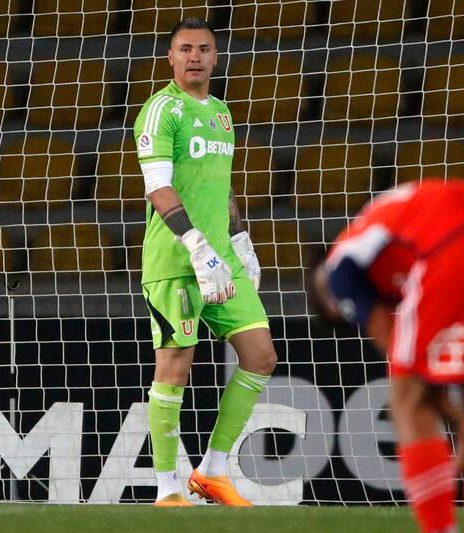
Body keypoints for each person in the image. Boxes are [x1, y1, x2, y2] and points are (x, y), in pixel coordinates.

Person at [308, 179, 464, 532]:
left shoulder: (342, 269)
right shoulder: (394, 244)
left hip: (458, 248)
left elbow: (417, 383)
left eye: (347, 314)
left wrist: (462, 435)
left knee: (407, 401)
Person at [132, 17, 277, 507]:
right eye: (185, 49)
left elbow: (221, 185)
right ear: (170, 58)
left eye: (204, 49)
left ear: (216, 58)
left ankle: (213, 471)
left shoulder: (221, 113)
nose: (195, 56)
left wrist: (239, 239)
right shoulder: (160, 111)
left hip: (221, 258)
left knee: (260, 356)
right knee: (175, 367)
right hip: (177, 258)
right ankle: (167, 488)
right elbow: (158, 186)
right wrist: (195, 242)